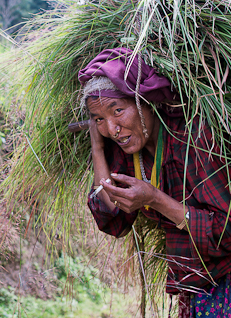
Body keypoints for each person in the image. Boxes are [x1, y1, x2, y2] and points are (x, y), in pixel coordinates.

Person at [81, 47, 231, 317]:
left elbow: (229, 229)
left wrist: (155, 199)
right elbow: (113, 220)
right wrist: (97, 149)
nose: (112, 129)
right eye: (99, 119)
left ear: (145, 101)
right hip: (195, 286)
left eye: (118, 110)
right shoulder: (127, 150)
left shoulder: (194, 139)